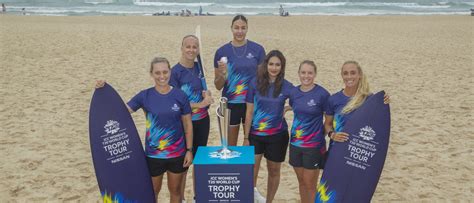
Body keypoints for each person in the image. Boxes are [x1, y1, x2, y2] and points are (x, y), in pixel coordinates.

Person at [95, 57, 194, 203]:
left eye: (165, 72)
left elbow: (187, 124)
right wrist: (103, 91)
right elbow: (121, 111)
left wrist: (189, 150)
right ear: (152, 74)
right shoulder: (144, 95)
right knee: (152, 192)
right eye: (157, 73)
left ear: (170, 72)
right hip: (153, 155)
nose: (162, 76)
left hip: (177, 153)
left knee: (176, 191)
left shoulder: (180, 95)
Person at [243, 50, 294, 203]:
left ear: (282, 67)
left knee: (274, 171)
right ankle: (249, 198)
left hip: (278, 136)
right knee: (250, 170)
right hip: (255, 135)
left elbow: (300, 99)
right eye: (271, 64)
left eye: (277, 65)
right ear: (266, 65)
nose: (274, 68)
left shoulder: (287, 86)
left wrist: (288, 107)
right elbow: (249, 112)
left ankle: (269, 201)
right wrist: (246, 137)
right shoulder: (254, 82)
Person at [170, 35, 213, 203]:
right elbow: (176, 103)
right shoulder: (175, 72)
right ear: (181, 48)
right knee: (184, 164)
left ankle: (198, 197)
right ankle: (180, 198)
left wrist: (207, 97)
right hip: (184, 124)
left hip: (202, 121)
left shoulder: (199, 68)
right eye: (187, 46)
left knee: (199, 162)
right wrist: (201, 104)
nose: (191, 50)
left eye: (195, 47)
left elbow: (204, 91)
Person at [213, 14, 266, 147]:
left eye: (243, 28)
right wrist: (223, 75)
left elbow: (262, 80)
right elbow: (218, 86)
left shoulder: (258, 50)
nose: (240, 31)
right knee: (229, 147)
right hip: (230, 104)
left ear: (247, 29)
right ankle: (232, 169)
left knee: (251, 145)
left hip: (251, 103)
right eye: (236, 28)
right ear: (231, 28)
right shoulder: (221, 52)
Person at [286, 60, 330, 203]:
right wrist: (287, 108)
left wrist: (320, 135)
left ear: (315, 74)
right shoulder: (293, 93)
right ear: (299, 74)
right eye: (303, 72)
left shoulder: (323, 94)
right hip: (295, 144)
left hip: (313, 147)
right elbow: (298, 107)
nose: (306, 76)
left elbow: (329, 120)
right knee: (301, 182)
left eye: (310, 73)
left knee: (310, 184)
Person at [324, 60, 389, 147]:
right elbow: (327, 124)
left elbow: (378, 125)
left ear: (360, 75)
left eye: (353, 73)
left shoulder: (370, 99)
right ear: (342, 76)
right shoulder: (333, 99)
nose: (349, 77)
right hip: (336, 151)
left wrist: (384, 103)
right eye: (345, 73)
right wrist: (332, 135)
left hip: (358, 152)